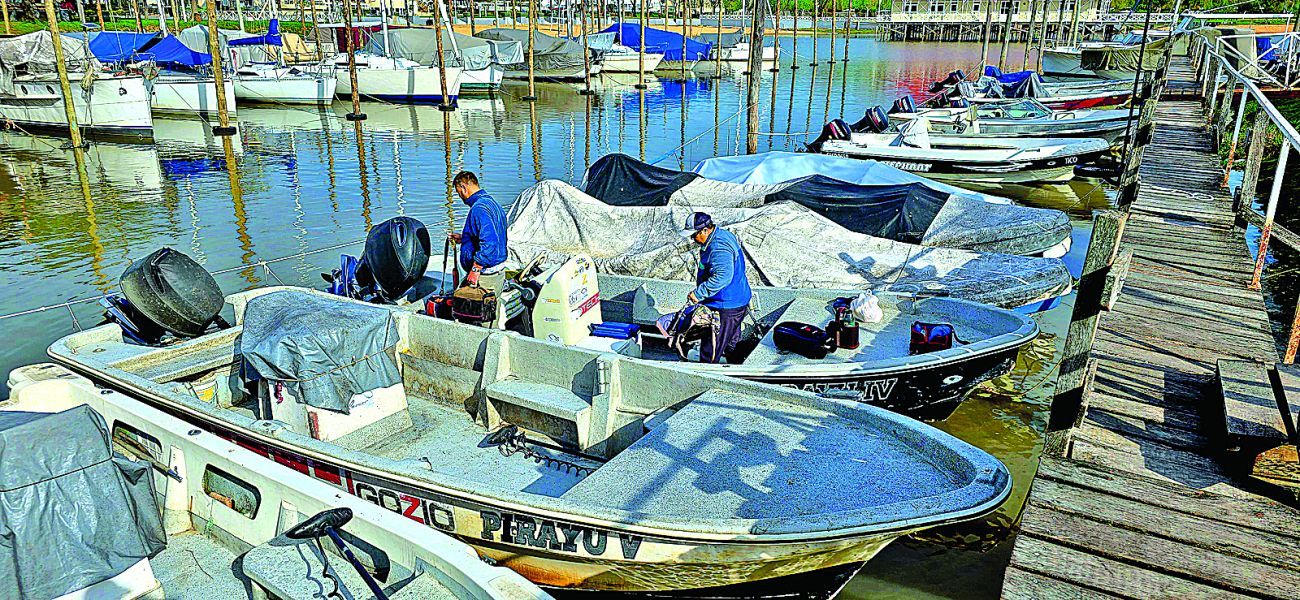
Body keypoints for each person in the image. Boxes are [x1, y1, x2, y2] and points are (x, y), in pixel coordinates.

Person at [685, 212, 752, 364]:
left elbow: (723, 276)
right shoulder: (723, 234)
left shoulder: (718, 248)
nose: (692, 239)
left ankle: (706, 373)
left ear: (705, 230)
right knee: (731, 342)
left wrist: (699, 293)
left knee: (711, 348)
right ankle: (734, 365)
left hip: (725, 307)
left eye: (694, 235)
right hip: (738, 300)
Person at [448, 171, 508, 292]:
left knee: (477, 303)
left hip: (485, 274)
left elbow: (490, 242)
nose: (460, 197)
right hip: (496, 270)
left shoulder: (478, 209)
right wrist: (465, 238)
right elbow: (496, 233)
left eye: (458, 192)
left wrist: (476, 269)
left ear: (463, 188)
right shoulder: (491, 202)